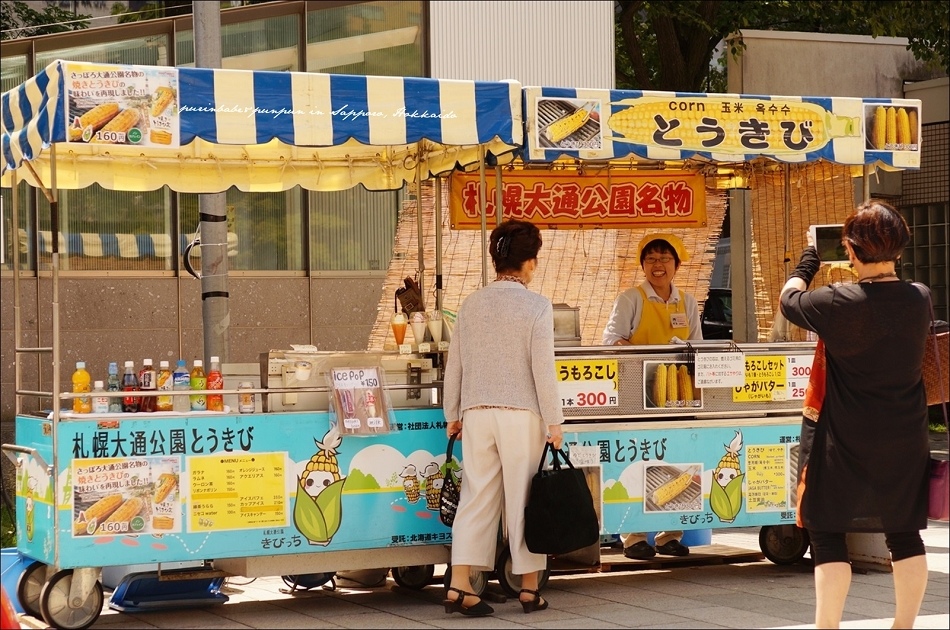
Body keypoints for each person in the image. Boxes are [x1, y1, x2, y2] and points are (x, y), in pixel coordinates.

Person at [779, 200, 930, 630]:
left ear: (850, 250)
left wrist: (806, 266)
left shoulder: (835, 302)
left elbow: (789, 301)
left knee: (827, 536)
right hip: (904, 435)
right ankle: (904, 626)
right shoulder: (920, 298)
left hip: (841, 439)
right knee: (903, 534)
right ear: (899, 247)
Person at [442, 219, 565, 617]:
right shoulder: (536, 305)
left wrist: (453, 413)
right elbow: (542, 369)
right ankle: (529, 590)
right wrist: (555, 421)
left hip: (476, 413)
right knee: (525, 500)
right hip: (520, 415)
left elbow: (455, 364)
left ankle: (460, 586)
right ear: (528, 262)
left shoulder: (471, 303)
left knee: (476, 499)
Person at [602, 233, 702, 560]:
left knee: (677, 461)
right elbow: (611, 341)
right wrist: (644, 356)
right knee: (639, 461)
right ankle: (632, 537)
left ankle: (670, 534)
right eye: (651, 259)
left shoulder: (686, 301)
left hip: (675, 393)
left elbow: (697, 346)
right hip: (636, 392)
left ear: (677, 264)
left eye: (665, 259)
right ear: (643, 265)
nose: (658, 265)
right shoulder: (631, 298)